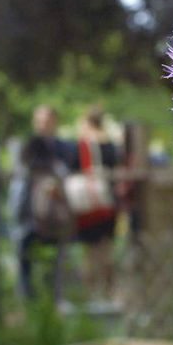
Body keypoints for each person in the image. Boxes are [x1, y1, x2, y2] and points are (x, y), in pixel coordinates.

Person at [8, 104, 74, 305]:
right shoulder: (25, 146)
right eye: (39, 120)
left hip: (53, 218)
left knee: (54, 264)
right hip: (28, 217)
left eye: (46, 120)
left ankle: (53, 304)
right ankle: (28, 306)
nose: (43, 124)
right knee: (25, 263)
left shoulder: (63, 148)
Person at [70, 105, 120, 303]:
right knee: (107, 249)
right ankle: (109, 293)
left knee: (89, 252)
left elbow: (73, 167)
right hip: (108, 202)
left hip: (89, 205)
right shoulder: (110, 144)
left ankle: (92, 295)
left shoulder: (83, 144)